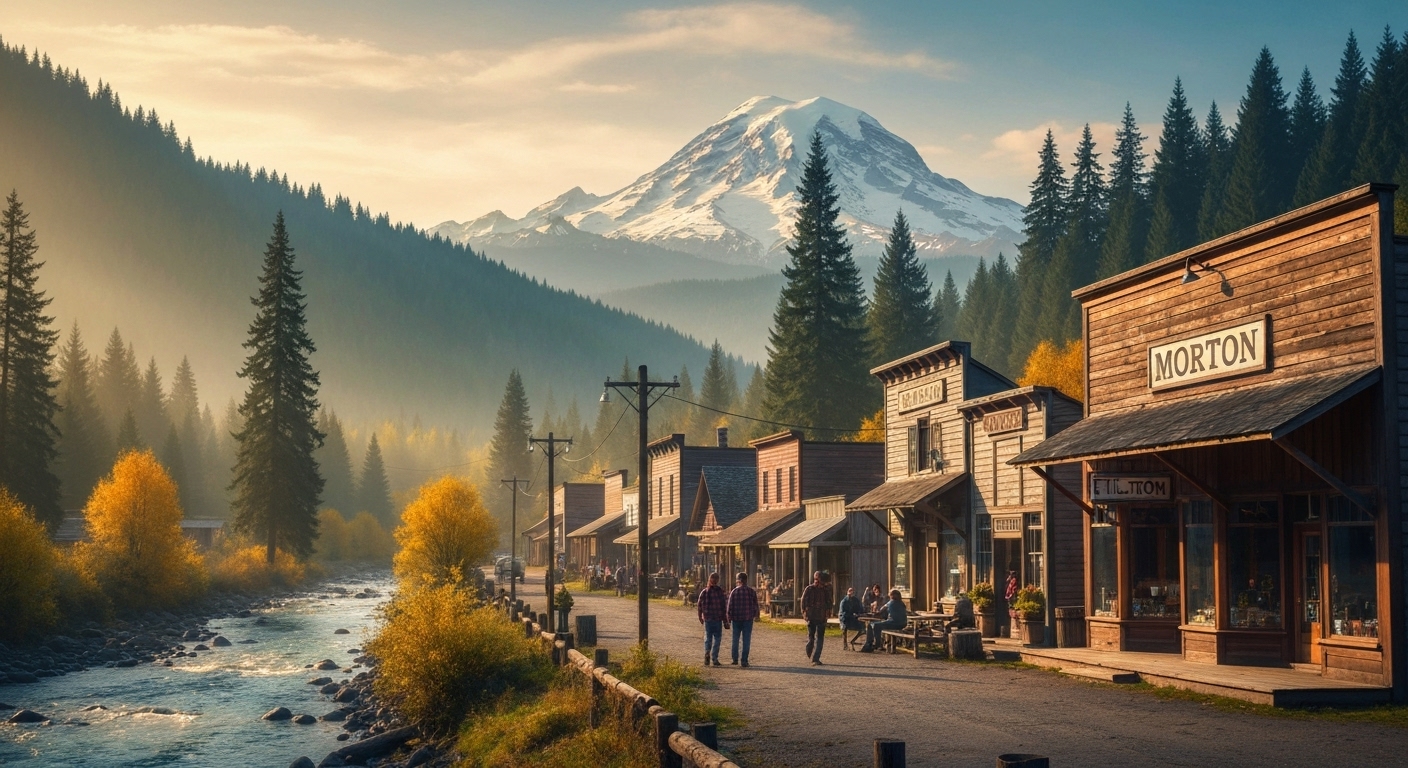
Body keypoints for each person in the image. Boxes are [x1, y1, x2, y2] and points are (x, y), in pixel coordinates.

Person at [726, 571, 760, 667]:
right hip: (748, 619)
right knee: (746, 640)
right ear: (746, 580)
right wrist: (756, 615)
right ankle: (744, 660)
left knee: (735, 639)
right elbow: (755, 605)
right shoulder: (751, 592)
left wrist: (728, 618)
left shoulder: (734, 592)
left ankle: (735, 659)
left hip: (736, 619)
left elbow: (729, 606)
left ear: (738, 580)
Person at [696, 573, 726, 666]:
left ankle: (707, 652)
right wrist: (725, 621)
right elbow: (723, 607)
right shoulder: (720, 591)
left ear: (709, 580)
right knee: (717, 638)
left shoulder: (704, 592)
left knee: (708, 638)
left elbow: (699, 605)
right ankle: (715, 658)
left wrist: (700, 616)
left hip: (708, 618)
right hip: (717, 618)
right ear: (717, 580)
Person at [800, 571, 829, 665]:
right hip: (811, 616)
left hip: (821, 616)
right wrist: (804, 613)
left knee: (820, 638)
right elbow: (803, 601)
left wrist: (827, 614)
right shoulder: (809, 589)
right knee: (811, 637)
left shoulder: (825, 590)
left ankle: (816, 658)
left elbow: (829, 602)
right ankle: (809, 647)